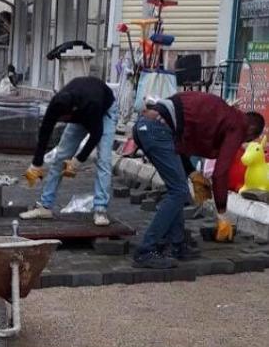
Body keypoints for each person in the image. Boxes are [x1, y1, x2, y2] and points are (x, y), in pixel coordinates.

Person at [131, 92, 264, 269]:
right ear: (251, 131)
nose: (242, 143)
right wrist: (222, 214)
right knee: (179, 192)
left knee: (177, 190)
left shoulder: (221, 114)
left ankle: (176, 245)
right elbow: (220, 173)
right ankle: (146, 250)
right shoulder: (238, 125)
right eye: (247, 140)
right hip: (157, 129)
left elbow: (180, 142)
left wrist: (193, 173)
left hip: (148, 126)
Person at [22, 76, 118, 226]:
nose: (64, 121)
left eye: (66, 118)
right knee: (60, 157)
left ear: (72, 110)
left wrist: (78, 160)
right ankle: (45, 206)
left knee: (103, 160)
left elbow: (96, 134)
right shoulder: (57, 103)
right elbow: (45, 131)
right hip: (82, 111)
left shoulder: (91, 104)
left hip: (104, 111)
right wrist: (37, 162)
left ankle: (100, 209)